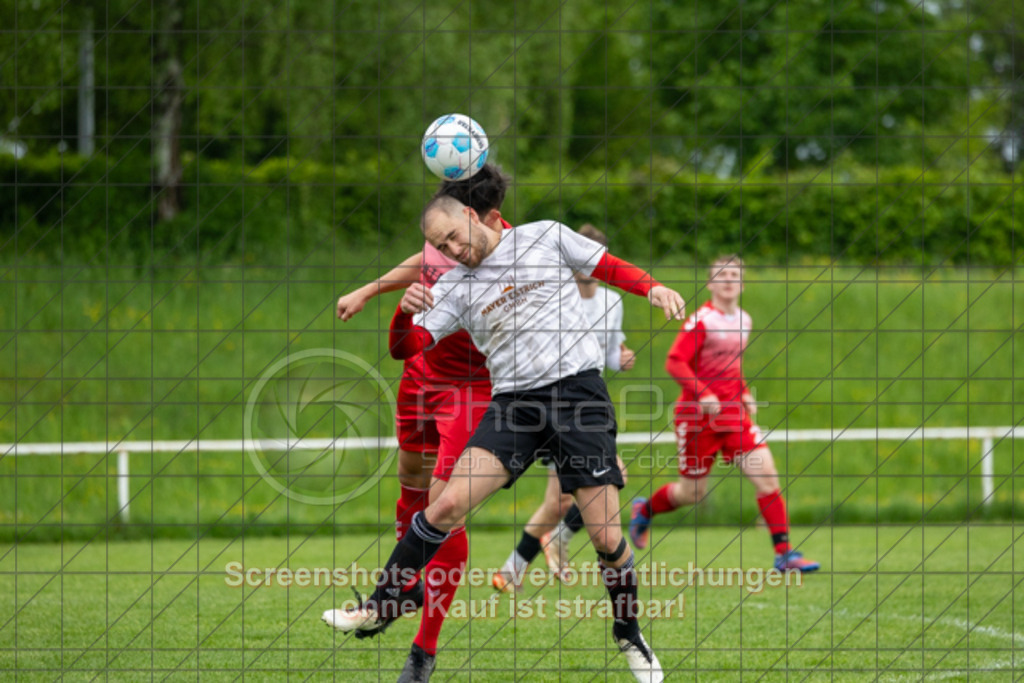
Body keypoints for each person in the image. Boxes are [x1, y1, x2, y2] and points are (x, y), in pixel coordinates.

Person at [323, 196, 685, 682]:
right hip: (514, 405)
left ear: (473, 215)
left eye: (453, 235)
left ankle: (628, 630)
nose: (451, 249)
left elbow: (608, 266)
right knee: (446, 503)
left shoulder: (544, 236)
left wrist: (654, 287)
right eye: (439, 246)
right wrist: (402, 314)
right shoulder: (453, 286)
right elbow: (405, 348)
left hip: (578, 396)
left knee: (606, 537)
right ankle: (381, 601)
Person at [332, 166, 514, 682]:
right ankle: (407, 588)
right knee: (410, 477)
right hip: (421, 371)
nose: (448, 246)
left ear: (480, 213)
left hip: (470, 389)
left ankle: (423, 650)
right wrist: (370, 290)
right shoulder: (444, 235)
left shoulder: (505, 246)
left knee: (444, 506)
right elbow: (423, 262)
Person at [628, 254, 820, 573]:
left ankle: (785, 554)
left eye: (734, 274)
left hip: (733, 416)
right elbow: (675, 361)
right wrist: (702, 392)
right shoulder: (702, 320)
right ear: (710, 283)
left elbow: (731, 365)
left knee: (767, 477)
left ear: (742, 283)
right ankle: (645, 509)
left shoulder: (744, 320)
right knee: (692, 492)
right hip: (697, 418)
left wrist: (743, 391)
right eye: (722, 274)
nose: (728, 279)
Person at [492, 223, 635, 591]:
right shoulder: (554, 290)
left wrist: (622, 358)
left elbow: (608, 355)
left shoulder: (611, 301)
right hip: (548, 400)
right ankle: (545, 547)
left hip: (588, 402)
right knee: (581, 491)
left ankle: (512, 569)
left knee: (559, 500)